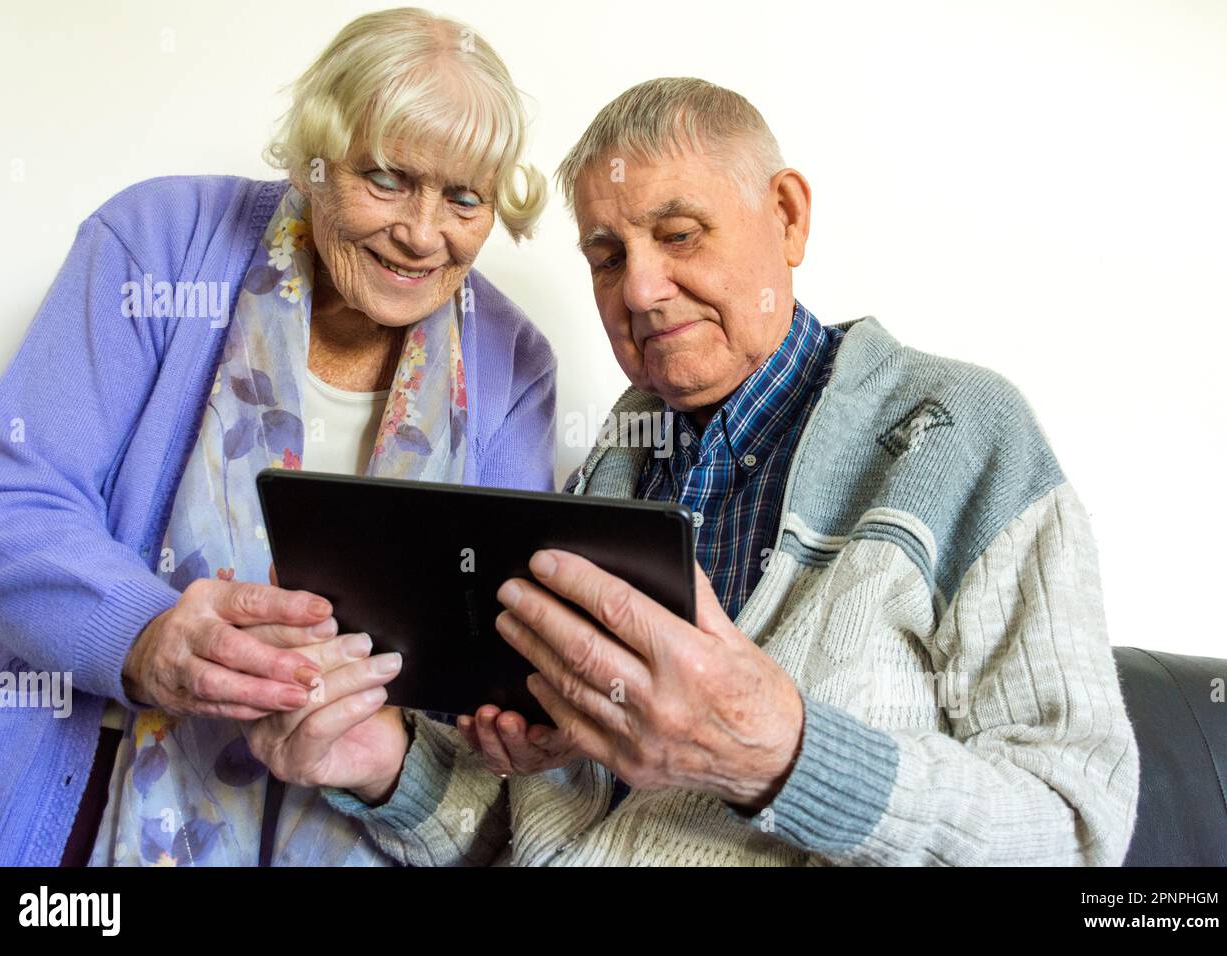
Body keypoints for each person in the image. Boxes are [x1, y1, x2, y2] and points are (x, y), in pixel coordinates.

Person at [313, 77, 1140, 866]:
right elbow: (534, 835)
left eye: (678, 235)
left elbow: (1075, 828)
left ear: (786, 216)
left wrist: (782, 756)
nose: (638, 288)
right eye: (606, 256)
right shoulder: (613, 463)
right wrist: (384, 765)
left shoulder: (959, 432)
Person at [0, 7, 555, 866]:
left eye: (464, 197)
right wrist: (144, 635)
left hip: (354, 816)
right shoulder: (156, 245)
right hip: (92, 791)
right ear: (315, 157)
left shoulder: (513, 361)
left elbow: (490, 649)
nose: (423, 233)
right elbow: (4, 501)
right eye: (388, 179)